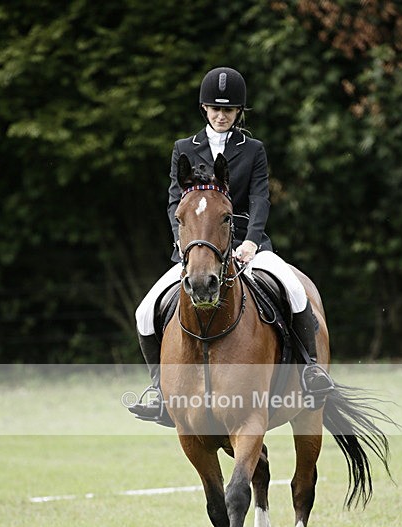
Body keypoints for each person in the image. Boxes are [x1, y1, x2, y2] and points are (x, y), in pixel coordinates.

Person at [129, 67, 332, 426]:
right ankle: (160, 391)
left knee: (295, 292)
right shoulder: (183, 150)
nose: (221, 115)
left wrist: (252, 240)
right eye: (214, 109)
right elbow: (176, 203)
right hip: (197, 252)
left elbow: (260, 198)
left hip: (247, 247)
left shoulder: (252, 150)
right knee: (145, 312)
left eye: (229, 110)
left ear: (239, 112)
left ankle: (310, 372)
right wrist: (184, 247)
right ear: (204, 108)